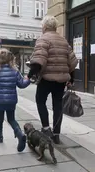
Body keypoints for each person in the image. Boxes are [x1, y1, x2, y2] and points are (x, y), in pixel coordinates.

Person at [27, 16, 78, 144]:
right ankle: (56, 134)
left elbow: (39, 60)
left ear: (44, 27)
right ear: (55, 27)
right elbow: (72, 62)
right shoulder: (63, 41)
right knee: (58, 106)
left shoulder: (43, 39)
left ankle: (46, 128)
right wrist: (71, 78)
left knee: (40, 101)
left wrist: (29, 75)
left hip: (46, 79)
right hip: (61, 80)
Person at [0, 48, 30, 152]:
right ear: (10, 60)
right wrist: (28, 80)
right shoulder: (15, 72)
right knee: (11, 119)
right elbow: (22, 84)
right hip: (11, 101)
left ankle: (0, 136)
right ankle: (20, 134)